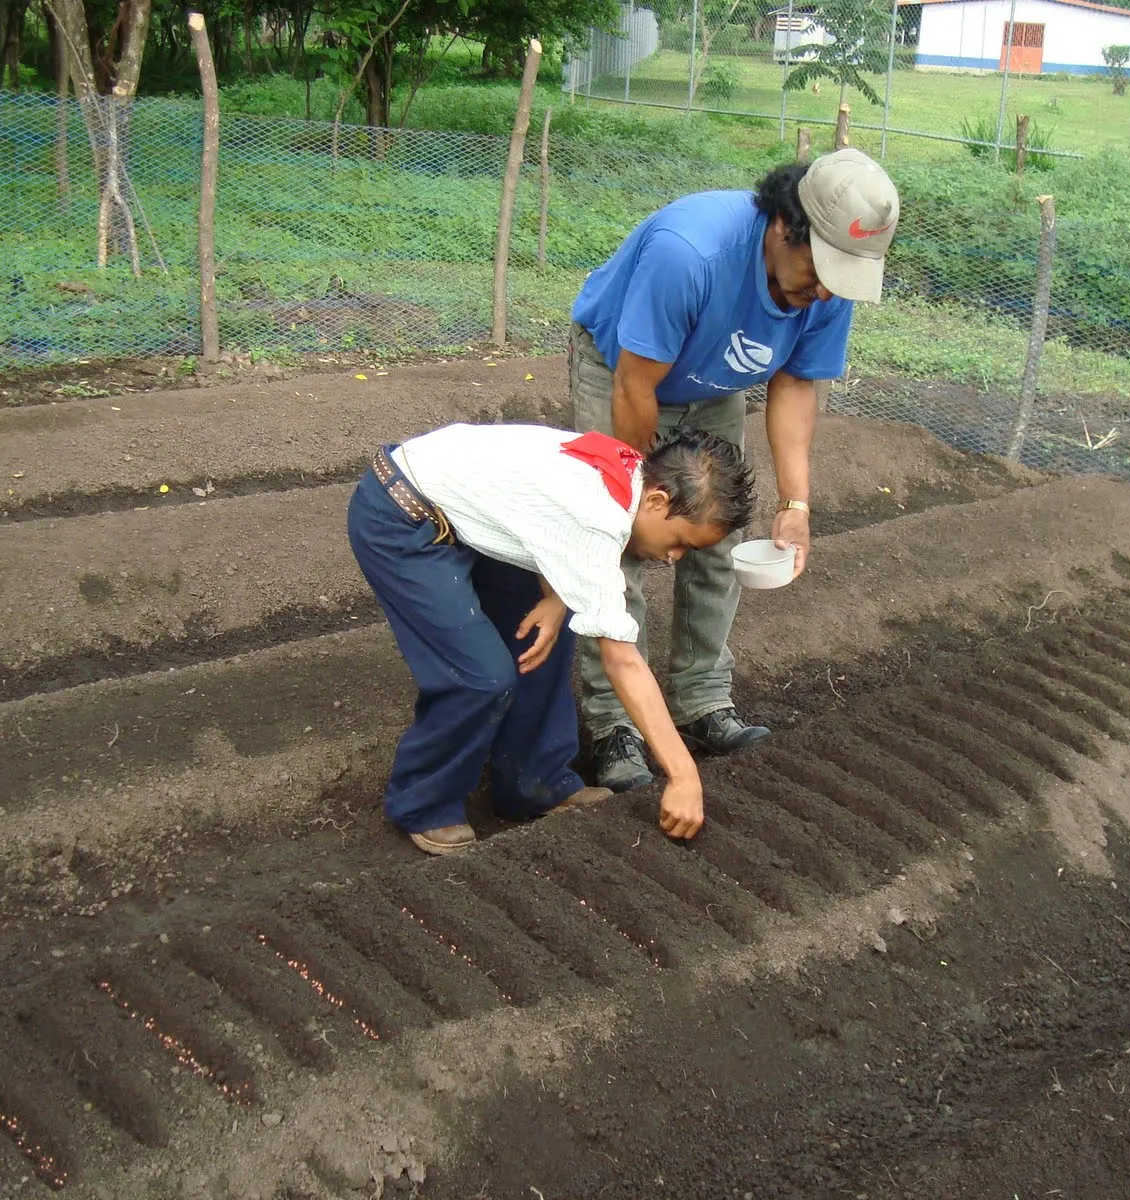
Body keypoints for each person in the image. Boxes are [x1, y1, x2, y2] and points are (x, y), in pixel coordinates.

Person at [568, 147, 899, 791]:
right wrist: (636, 490)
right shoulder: (689, 254)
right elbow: (636, 387)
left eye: (840, 277)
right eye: (818, 270)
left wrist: (796, 505)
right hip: (622, 374)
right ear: (784, 228)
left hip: (715, 383)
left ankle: (701, 700)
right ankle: (612, 725)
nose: (825, 291)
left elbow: (797, 386)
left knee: (718, 536)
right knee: (618, 539)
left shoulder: (829, 282)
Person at [346, 423, 755, 855]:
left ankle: (535, 784)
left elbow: (539, 508)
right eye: (681, 544)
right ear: (657, 500)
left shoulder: (629, 477)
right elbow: (622, 660)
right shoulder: (598, 518)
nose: (674, 559)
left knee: (543, 634)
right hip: (404, 514)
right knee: (480, 676)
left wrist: (557, 596)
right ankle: (424, 803)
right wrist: (683, 775)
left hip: (470, 512)